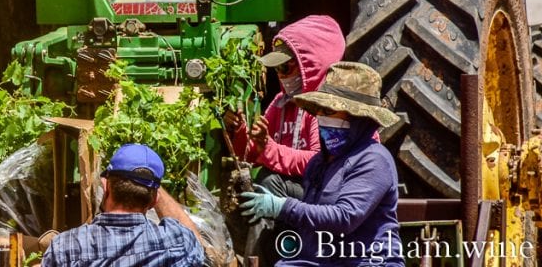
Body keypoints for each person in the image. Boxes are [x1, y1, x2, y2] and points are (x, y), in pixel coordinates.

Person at [239, 62, 403, 266]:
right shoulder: (320, 162)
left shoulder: (374, 160)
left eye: (330, 111)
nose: (322, 118)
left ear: (358, 117)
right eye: (320, 111)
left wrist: (281, 207)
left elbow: (344, 218)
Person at [223, 15, 344, 262]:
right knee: (243, 190)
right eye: (276, 69)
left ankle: (260, 259)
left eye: (286, 67)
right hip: (293, 190)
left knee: (269, 182)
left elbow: (317, 161)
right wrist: (241, 131)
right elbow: (254, 154)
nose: (280, 75)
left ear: (308, 65)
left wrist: (269, 148)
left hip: (322, 192)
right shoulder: (280, 103)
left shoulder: (322, 107)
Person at [41, 143, 207, 267]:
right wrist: (152, 184)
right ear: (154, 200)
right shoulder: (178, 242)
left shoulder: (66, 248)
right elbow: (198, 245)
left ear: (106, 187)